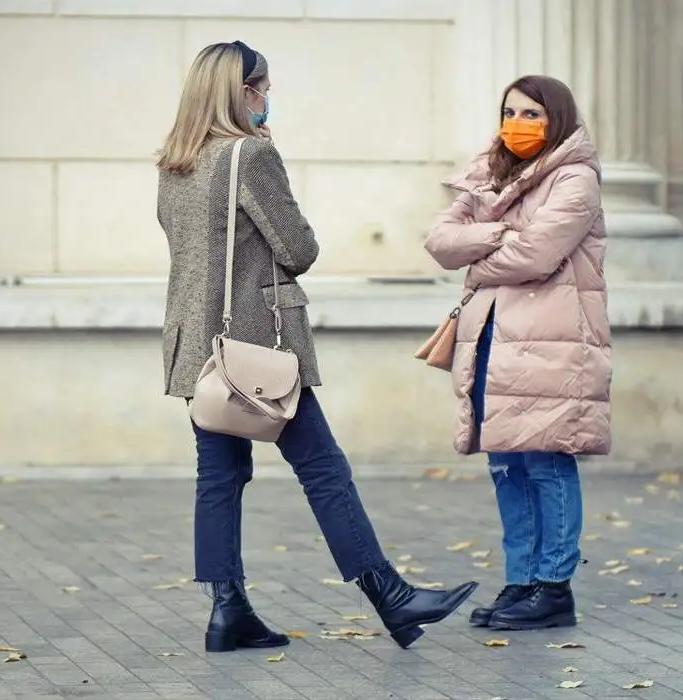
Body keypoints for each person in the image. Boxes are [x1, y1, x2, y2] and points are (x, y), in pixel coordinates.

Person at [155, 40, 477, 652]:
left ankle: (229, 611)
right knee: (323, 467)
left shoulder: (176, 162)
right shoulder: (250, 155)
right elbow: (299, 248)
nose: (267, 98)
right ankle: (391, 594)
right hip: (255, 352)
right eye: (262, 88)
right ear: (240, 91)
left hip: (198, 347)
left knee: (218, 478)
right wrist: (271, 156)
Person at [423, 75, 611, 631]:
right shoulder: (491, 168)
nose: (518, 124)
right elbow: (439, 240)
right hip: (491, 343)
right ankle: (520, 581)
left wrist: (482, 247)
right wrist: (500, 237)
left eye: (532, 114)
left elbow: (534, 255)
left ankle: (553, 589)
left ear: (557, 118)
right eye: (511, 111)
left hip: (552, 347)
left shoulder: (575, 180)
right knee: (507, 464)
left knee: (548, 462)